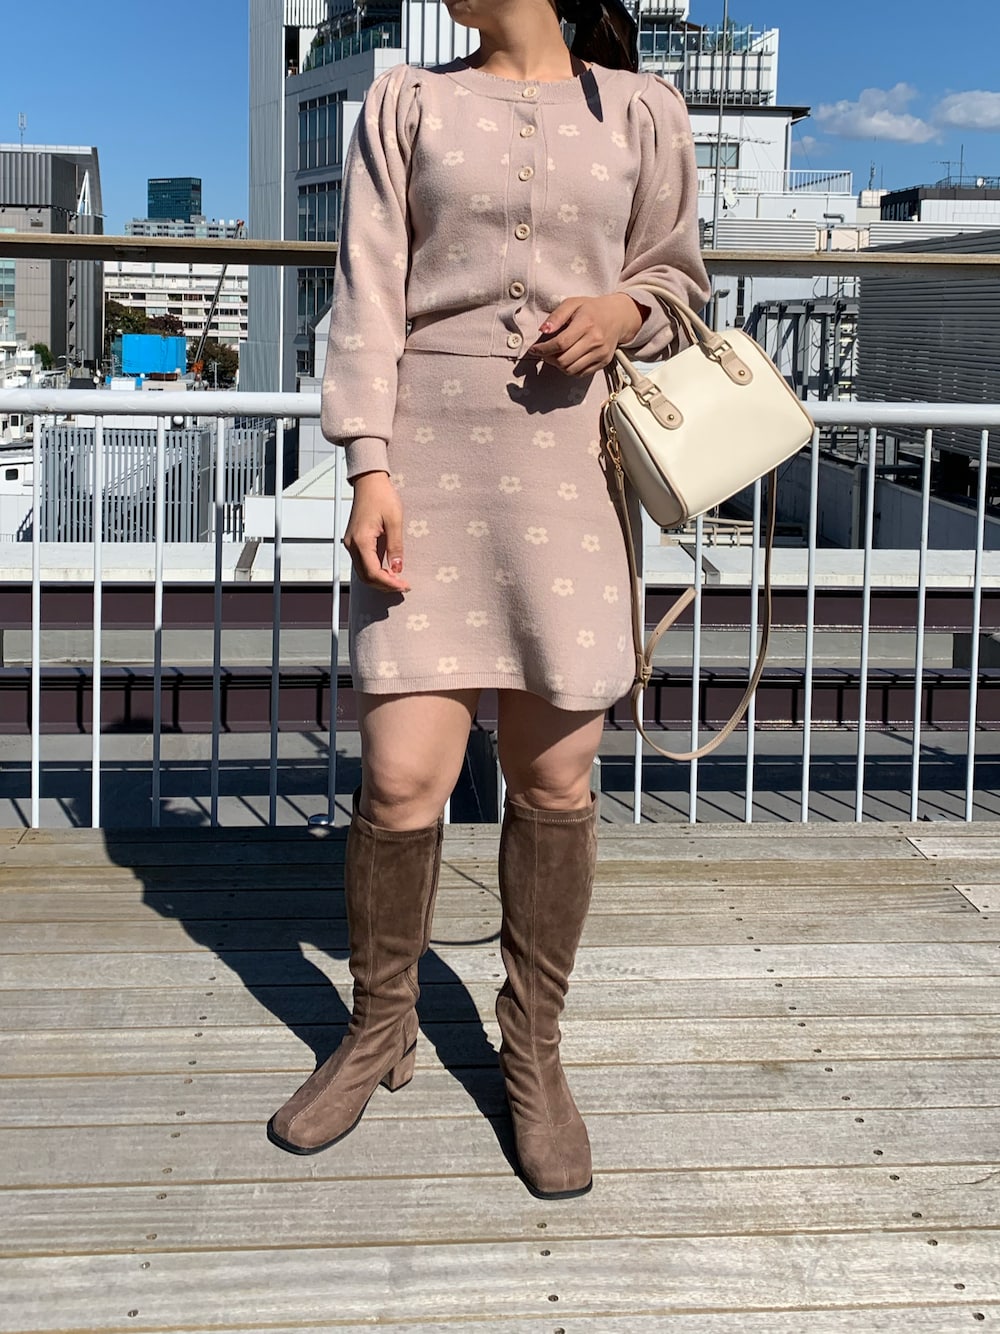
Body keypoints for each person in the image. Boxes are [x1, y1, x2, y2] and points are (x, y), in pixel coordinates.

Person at [267, 0, 710, 1199]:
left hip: (572, 466)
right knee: (400, 776)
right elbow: (365, 290)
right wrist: (367, 466)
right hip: (425, 456)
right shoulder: (406, 101)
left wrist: (622, 310)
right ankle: (380, 1025)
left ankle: (534, 1049)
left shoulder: (642, 109)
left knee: (553, 777)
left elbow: (678, 281)